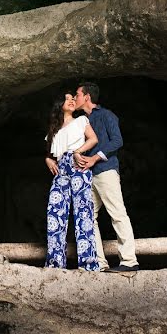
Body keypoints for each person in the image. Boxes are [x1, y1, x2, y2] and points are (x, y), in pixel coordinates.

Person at [73, 82, 140, 272]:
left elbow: (117, 141)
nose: (75, 98)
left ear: (87, 97)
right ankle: (99, 263)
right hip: (88, 175)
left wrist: (95, 157)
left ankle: (129, 261)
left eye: (77, 94)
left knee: (117, 213)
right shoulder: (81, 121)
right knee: (88, 217)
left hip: (106, 171)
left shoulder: (106, 115)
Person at [43, 92, 101, 271]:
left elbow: (93, 139)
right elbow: (50, 153)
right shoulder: (54, 130)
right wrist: (48, 159)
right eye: (67, 98)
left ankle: (89, 265)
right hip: (61, 169)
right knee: (55, 213)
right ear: (59, 103)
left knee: (83, 213)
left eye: (73, 98)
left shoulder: (81, 120)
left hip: (77, 165)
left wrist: (78, 152)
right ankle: (55, 264)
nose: (72, 100)